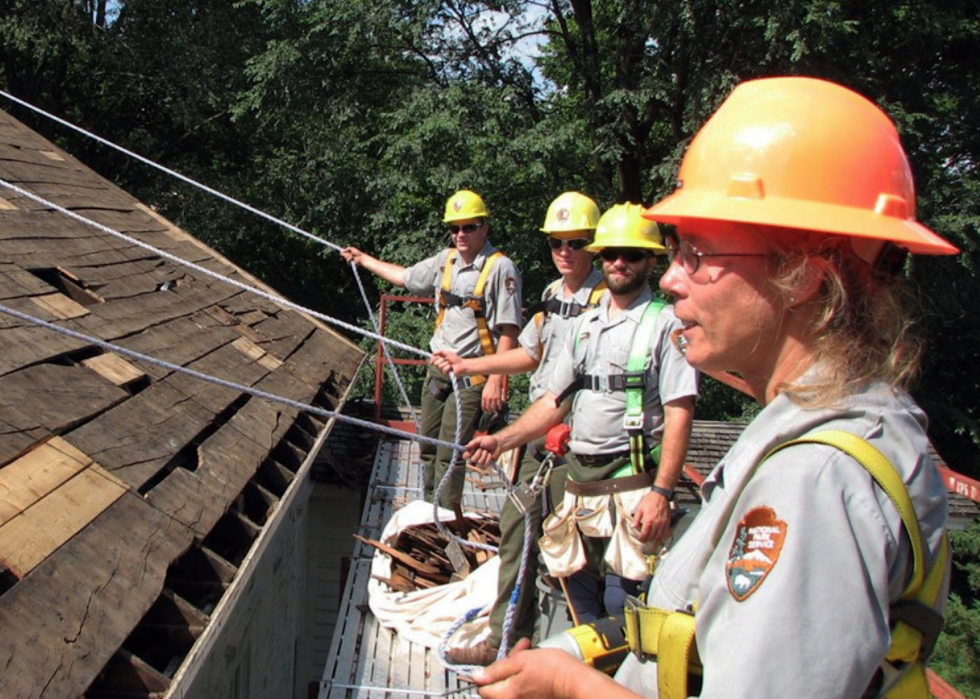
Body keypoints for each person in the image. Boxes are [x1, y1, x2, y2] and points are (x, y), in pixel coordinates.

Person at [470, 77, 956, 699]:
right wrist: (581, 648)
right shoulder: (855, 422)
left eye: (696, 253)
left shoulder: (813, 483)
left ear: (802, 275)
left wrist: (570, 688)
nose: (671, 277)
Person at [465, 203, 698, 632]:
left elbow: (679, 413)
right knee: (578, 598)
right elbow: (553, 402)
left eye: (630, 254)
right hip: (579, 486)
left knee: (622, 604)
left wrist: (662, 492)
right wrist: (502, 441)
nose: (618, 263)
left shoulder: (666, 326)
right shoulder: (584, 326)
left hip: (631, 485)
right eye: (610, 254)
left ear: (650, 261)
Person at [432, 191, 607, 665]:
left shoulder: (605, 303)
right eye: (556, 242)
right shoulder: (553, 296)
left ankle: (587, 647)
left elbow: (575, 391)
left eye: (576, 242)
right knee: (517, 528)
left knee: (583, 547)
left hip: (577, 443)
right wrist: (471, 364)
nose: (565, 252)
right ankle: (506, 638)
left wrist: (507, 436)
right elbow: (530, 355)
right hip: (540, 440)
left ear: (595, 245)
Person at [342, 190, 522, 510]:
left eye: (469, 226)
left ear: (484, 228)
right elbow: (405, 278)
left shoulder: (500, 268)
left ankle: (444, 518)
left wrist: (496, 379)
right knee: (427, 445)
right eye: (454, 228)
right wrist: (363, 259)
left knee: (449, 452)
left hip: (471, 375)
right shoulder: (446, 260)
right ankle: (429, 508)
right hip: (438, 368)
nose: (460, 234)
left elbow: (509, 329)